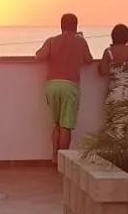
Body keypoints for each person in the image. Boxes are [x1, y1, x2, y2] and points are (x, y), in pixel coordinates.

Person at [35, 13, 94, 153]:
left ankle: (54, 157)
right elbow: (89, 59)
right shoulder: (81, 42)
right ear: (76, 26)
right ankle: (63, 161)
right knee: (65, 126)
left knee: (56, 124)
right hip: (70, 86)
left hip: (52, 84)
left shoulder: (52, 41)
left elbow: (39, 56)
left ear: (61, 26)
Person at [99, 23, 128, 108]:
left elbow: (103, 72)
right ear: (127, 37)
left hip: (114, 92)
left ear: (113, 36)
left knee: (114, 118)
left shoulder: (108, 52)